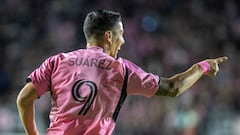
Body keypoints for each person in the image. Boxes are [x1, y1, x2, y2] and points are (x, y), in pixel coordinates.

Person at [16, 9, 228, 135]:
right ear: (109, 36)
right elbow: (174, 87)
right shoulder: (121, 69)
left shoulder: (56, 61)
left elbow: (24, 99)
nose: (123, 41)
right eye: (121, 34)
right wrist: (204, 66)